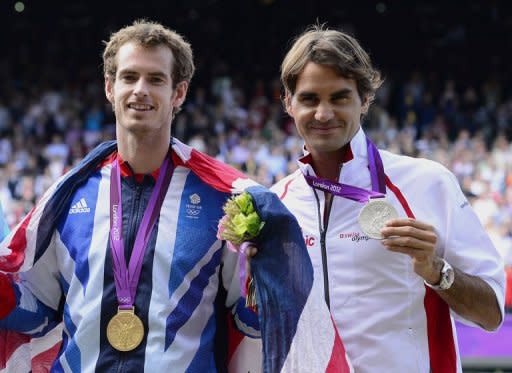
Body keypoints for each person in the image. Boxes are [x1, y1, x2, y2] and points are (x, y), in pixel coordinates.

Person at [0, 20, 346, 373]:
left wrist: (263, 279)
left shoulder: (223, 200)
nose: (140, 90)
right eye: (129, 77)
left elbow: (251, 328)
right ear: (109, 87)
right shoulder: (69, 196)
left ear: (178, 93)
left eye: (155, 79)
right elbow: (39, 314)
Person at [271, 25, 505, 373]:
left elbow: (490, 316)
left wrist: (436, 271)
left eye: (339, 97)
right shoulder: (277, 205)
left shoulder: (427, 183)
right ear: (288, 102)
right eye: (309, 99)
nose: (323, 114)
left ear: (365, 100)